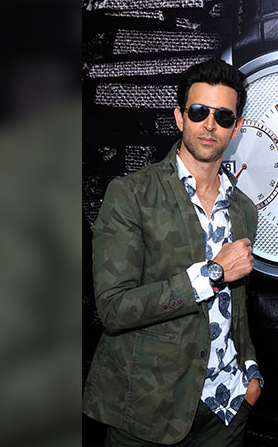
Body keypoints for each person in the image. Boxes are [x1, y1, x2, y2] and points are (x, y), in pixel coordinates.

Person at [83, 58, 263, 447]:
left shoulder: (244, 209)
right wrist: (212, 275)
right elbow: (114, 308)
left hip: (226, 411)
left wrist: (250, 372)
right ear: (180, 117)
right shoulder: (131, 195)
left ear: (236, 128)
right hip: (148, 414)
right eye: (199, 112)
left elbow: (237, 307)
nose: (209, 124)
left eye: (223, 116)